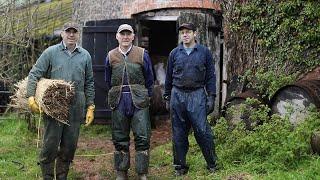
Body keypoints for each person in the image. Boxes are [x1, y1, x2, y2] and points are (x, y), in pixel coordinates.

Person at [26, 22, 95, 180]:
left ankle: (62, 176)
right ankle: (48, 176)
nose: (71, 35)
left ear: (78, 34)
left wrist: (90, 106)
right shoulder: (51, 52)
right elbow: (34, 74)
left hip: (76, 106)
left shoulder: (85, 55)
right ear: (62, 34)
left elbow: (90, 82)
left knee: (69, 146)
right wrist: (31, 97)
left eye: (74, 32)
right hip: (54, 106)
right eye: (68, 31)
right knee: (50, 144)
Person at [163, 23, 218, 175]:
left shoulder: (204, 52)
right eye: (182, 33)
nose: (185, 35)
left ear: (195, 33)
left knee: (202, 131)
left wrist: (211, 96)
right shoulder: (175, 53)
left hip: (197, 94)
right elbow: (168, 77)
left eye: (188, 32)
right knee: (179, 133)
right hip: (177, 95)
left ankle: (212, 164)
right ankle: (180, 167)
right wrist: (167, 97)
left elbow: (210, 76)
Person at [105, 24, 154, 180]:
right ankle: (121, 171)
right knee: (119, 137)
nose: (125, 37)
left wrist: (147, 96)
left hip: (139, 100)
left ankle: (142, 173)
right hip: (118, 100)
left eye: (128, 34)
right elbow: (108, 80)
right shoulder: (110, 56)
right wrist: (116, 92)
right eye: (122, 34)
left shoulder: (142, 54)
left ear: (133, 36)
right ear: (117, 36)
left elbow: (150, 78)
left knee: (142, 136)